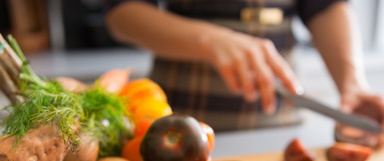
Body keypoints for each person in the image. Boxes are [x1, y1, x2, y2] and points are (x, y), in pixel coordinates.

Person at [104, 0, 384, 133]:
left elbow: (325, 6)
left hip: (281, 124)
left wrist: (353, 83)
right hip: (175, 123)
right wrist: (209, 39)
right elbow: (121, 13)